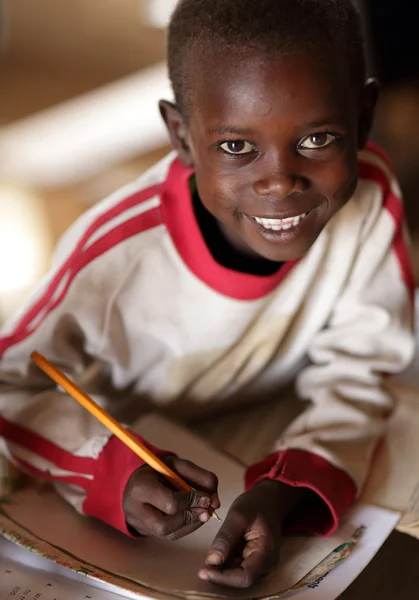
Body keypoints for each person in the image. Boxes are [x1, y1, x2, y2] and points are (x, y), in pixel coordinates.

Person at [0, 0, 415, 589]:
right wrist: (112, 472)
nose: (279, 181)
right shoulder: (114, 256)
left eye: (319, 138)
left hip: (266, 427)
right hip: (138, 440)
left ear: (365, 115)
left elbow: (363, 366)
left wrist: (285, 489)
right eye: (236, 148)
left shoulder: (371, 198)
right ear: (181, 138)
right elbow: (12, 381)